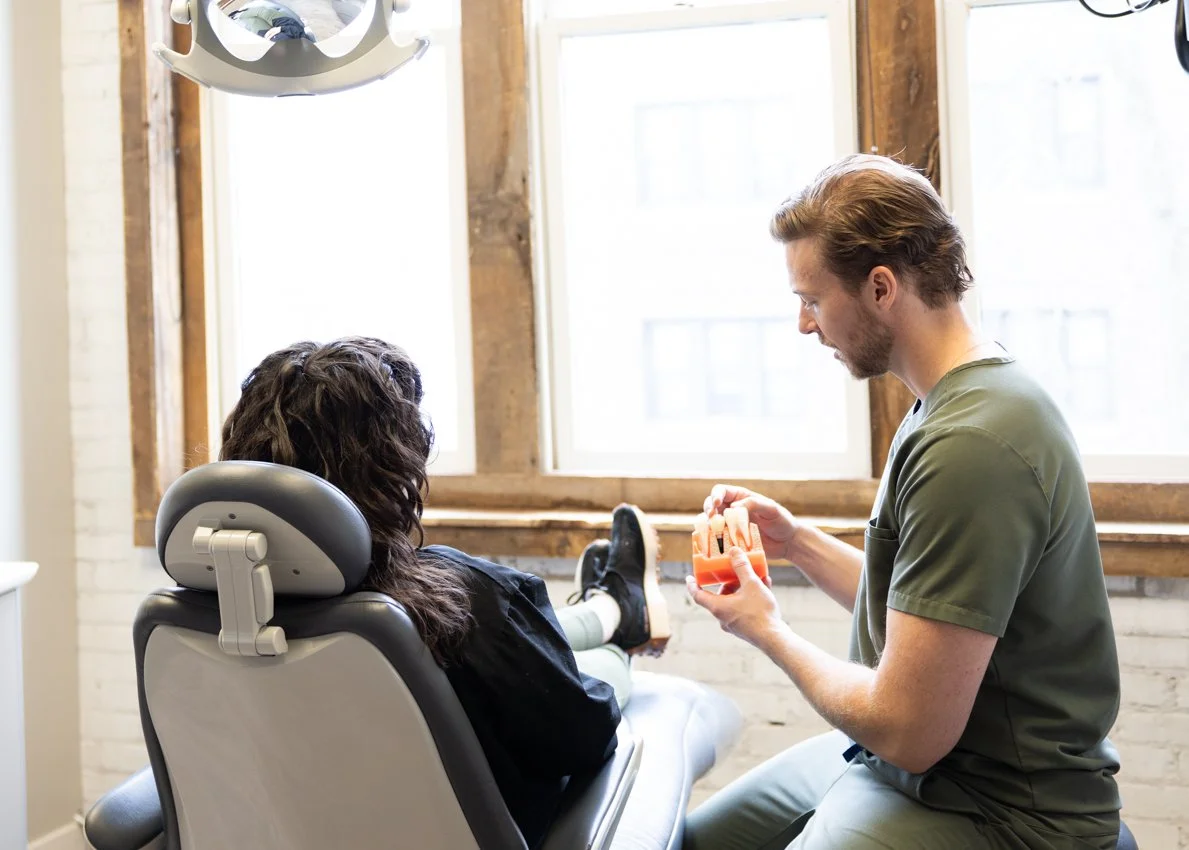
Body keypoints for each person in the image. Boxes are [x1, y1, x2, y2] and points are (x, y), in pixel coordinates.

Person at [682, 155, 1122, 850]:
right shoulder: (949, 402)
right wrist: (795, 543)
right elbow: (923, 621)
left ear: (880, 287)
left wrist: (763, 628)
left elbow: (906, 728)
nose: (803, 324)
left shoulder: (972, 443)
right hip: (915, 773)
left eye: (812, 299)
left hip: (1001, 810)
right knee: (692, 840)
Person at [217, 336, 670, 849]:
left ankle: (608, 606)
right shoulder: (454, 598)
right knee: (589, 667)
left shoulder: (212, 615)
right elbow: (582, 734)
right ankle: (617, 627)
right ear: (389, 471)